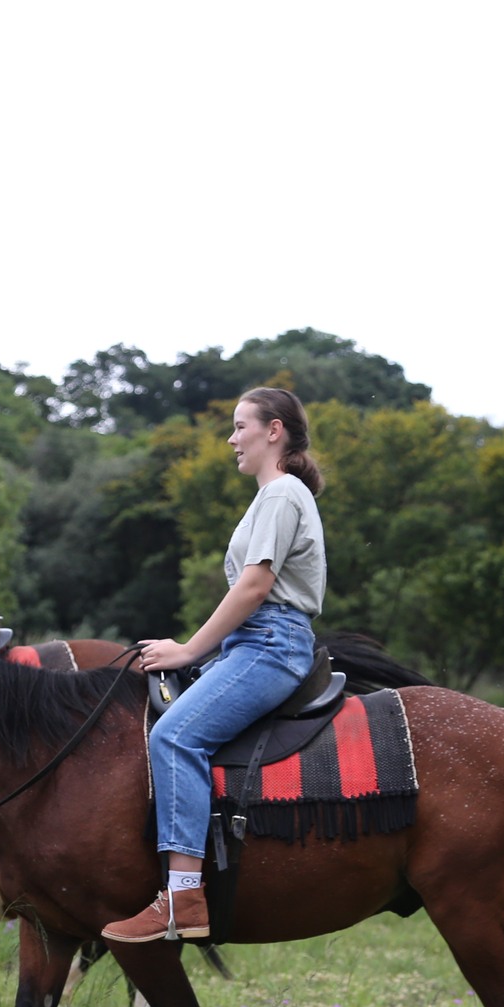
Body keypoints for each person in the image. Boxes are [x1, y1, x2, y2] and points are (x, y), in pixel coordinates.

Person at [104, 386, 327, 942]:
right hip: (252, 642)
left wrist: (187, 650)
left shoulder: (280, 494)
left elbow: (254, 587)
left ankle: (183, 901)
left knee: (175, 737)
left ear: (273, 431)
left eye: (239, 426)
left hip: (270, 644)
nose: (231, 439)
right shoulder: (271, 496)